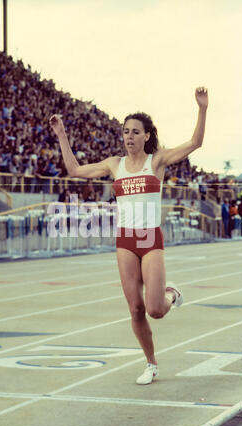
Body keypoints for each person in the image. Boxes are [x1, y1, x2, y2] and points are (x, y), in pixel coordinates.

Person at [49, 86, 208, 385]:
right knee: (135, 309)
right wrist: (61, 135)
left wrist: (202, 108)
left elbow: (196, 142)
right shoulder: (114, 164)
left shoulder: (157, 161)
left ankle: (171, 295)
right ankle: (151, 364)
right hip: (125, 242)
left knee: (155, 310)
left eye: (136, 132)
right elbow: (74, 170)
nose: (129, 137)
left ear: (147, 136)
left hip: (150, 241)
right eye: (126, 132)